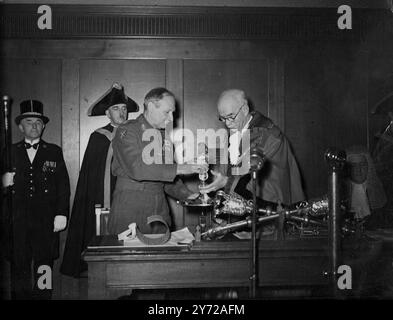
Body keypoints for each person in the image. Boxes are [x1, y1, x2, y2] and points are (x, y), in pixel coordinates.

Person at [61, 83, 139, 277]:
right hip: (100, 199)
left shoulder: (137, 135)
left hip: (128, 198)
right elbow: (89, 175)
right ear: (107, 113)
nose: (121, 113)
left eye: (124, 109)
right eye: (116, 109)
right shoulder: (97, 138)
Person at [108, 87, 207, 234]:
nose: (171, 119)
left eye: (172, 113)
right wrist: (182, 168)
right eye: (167, 112)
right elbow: (138, 168)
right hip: (130, 210)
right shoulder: (127, 131)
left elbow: (165, 178)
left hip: (159, 211)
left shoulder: (164, 138)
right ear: (151, 106)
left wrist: (188, 195)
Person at [1, 100, 70, 299]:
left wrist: (61, 213)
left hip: (45, 221)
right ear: (21, 126)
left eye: (38, 122)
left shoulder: (54, 151)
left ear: (44, 126)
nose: (34, 126)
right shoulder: (9, 152)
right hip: (17, 222)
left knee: (44, 266)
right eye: (29, 122)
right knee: (19, 267)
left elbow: (63, 186)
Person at [200, 89, 305, 206]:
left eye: (231, 117)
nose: (227, 123)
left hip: (270, 207)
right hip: (248, 204)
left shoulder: (267, 133)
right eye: (222, 118)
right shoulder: (239, 129)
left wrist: (225, 182)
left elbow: (250, 176)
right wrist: (210, 156)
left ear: (245, 109)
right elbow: (233, 164)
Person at [345, 145, 386, 222]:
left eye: (362, 165)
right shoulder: (342, 193)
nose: (358, 170)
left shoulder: (376, 191)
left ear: (369, 166)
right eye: (354, 166)